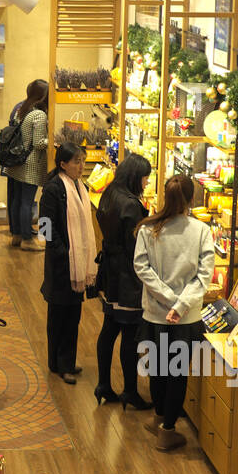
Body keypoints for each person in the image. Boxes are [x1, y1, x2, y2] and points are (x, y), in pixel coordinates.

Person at [133, 173, 214, 451]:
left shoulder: (149, 228)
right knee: (177, 372)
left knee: (156, 368)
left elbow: (142, 267)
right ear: (192, 199)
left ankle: (158, 418)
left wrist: (167, 300)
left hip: (155, 314)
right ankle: (168, 429)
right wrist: (180, 305)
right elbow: (204, 277)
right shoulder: (201, 231)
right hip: (186, 318)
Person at [93, 153, 153, 409]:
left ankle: (104, 384)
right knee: (130, 334)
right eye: (145, 178)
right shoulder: (131, 205)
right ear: (135, 177)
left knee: (109, 328)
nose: (146, 183)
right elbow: (135, 247)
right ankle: (130, 390)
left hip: (110, 272)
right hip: (127, 277)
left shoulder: (110, 193)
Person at [39, 142, 98, 384]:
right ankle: (60, 364)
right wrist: (62, 252)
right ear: (63, 164)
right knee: (59, 316)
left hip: (77, 264)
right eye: (76, 161)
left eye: (83, 160)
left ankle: (63, 362)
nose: (81, 166)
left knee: (72, 315)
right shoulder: (54, 188)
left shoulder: (78, 186)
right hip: (62, 265)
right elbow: (45, 226)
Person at [3, 79, 49, 251]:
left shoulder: (20, 110)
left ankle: (16, 235)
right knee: (26, 203)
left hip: (16, 162)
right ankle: (28, 240)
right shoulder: (39, 115)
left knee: (16, 200)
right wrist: (52, 141)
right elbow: (38, 143)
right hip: (29, 165)